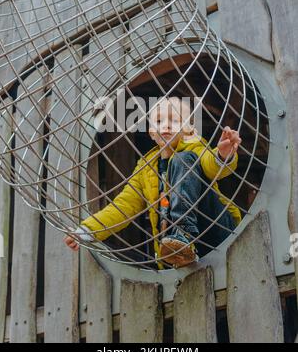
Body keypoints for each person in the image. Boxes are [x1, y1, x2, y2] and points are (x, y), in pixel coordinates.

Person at [64, 97, 242, 268]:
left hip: (216, 230)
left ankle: (183, 231)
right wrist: (86, 231)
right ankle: (178, 247)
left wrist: (222, 155)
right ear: (151, 133)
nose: (166, 125)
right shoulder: (146, 168)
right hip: (184, 251)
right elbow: (123, 207)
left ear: (189, 130)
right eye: (159, 121)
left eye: (175, 120)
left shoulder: (195, 149)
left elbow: (212, 167)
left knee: (184, 159)